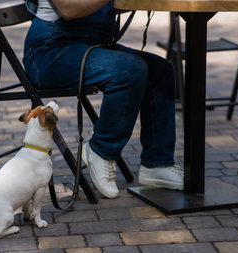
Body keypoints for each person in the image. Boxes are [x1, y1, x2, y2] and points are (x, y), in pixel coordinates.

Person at [23, 0, 183, 199]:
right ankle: (101, 150)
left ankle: (157, 163)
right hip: (50, 52)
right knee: (129, 70)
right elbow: (69, 9)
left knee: (160, 70)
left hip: (89, 46)